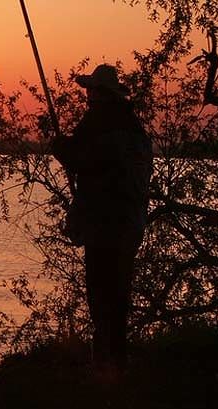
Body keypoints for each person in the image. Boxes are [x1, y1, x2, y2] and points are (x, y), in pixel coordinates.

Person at [51, 64, 153, 375]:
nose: (88, 96)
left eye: (91, 91)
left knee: (100, 289)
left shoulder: (100, 122)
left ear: (101, 94)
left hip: (105, 222)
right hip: (130, 222)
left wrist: (61, 148)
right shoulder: (134, 128)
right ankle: (116, 359)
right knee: (119, 289)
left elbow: (83, 158)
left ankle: (104, 361)